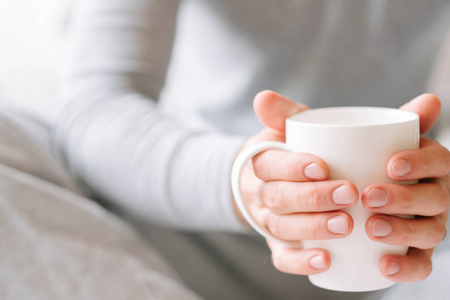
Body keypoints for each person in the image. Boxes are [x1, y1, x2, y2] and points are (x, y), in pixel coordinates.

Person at [1, 0, 449, 299]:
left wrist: (433, 191)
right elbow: (95, 111)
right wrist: (243, 183)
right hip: (182, 233)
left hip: (397, 258)